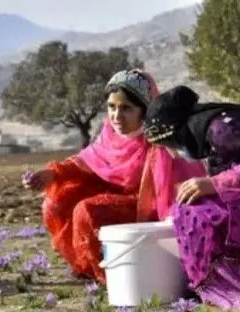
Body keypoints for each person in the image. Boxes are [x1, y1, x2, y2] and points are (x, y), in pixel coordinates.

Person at [24, 70, 205, 283]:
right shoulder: (109, 133)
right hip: (114, 197)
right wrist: (53, 173)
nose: (117, 116)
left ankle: (114, 276)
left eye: (126, 108)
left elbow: (172, 191)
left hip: (147, 207)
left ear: (144, 111)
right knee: (57, 202)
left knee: (87, 210)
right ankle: (90, 267)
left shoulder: (161, 141)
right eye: (112, 107)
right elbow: (88, 162)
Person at [143, 85, 240, 310]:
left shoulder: (221, 129)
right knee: (190, 206)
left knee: (194, 211)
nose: (171, 153)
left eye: (169, 145)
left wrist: (214, 184)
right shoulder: (211, 128)